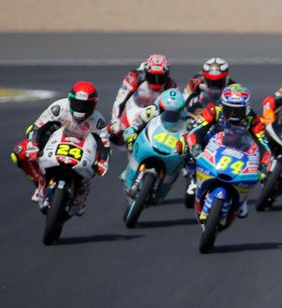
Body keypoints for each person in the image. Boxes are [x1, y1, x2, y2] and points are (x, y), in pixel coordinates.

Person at [11, 81, 109, 215]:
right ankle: (39, 181)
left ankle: (82, 190)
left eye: (85, 105)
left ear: (93, 104)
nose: (80, 109)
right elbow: (38, 126)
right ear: (70, 99)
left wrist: (103, 162)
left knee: (100, 160)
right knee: (19, 152)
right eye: (77, 104)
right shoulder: (59, 108)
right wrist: (33, 145)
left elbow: (105, 144)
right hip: (55, 142)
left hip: (82, 149)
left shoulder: (98, 121)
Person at [186, 84, 269, 216]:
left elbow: (264, 145)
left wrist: (264, 166)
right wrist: (195, 148)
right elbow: (195, 132)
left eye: (238, 110)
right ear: (223, 105)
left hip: (239, 150)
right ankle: (193, 179)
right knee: (186, 144)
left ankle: (241, 198)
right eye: (229, 109)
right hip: (213, 145)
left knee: (255, 170)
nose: (233, 114)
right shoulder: (214, 110)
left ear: (246, 109)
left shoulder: (253, 119)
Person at [107, 54, 177, 144]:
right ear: (146, 72)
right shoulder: (134, 77)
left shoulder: (171, 84)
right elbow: (120, 100)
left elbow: (174, 104)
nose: (156, 80)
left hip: (155, 111)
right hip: (135, 107)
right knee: (116, 132)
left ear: (167, 74)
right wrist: (115, 119)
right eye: (152, 77)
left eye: (160, 77)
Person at [182, 57, 235, 129]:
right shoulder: (194, 83)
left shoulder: (233, 88)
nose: (215, 86)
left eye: (219, 82)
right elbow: (184, 105)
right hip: (198, 119)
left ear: (226, 78)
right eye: (211, 82)